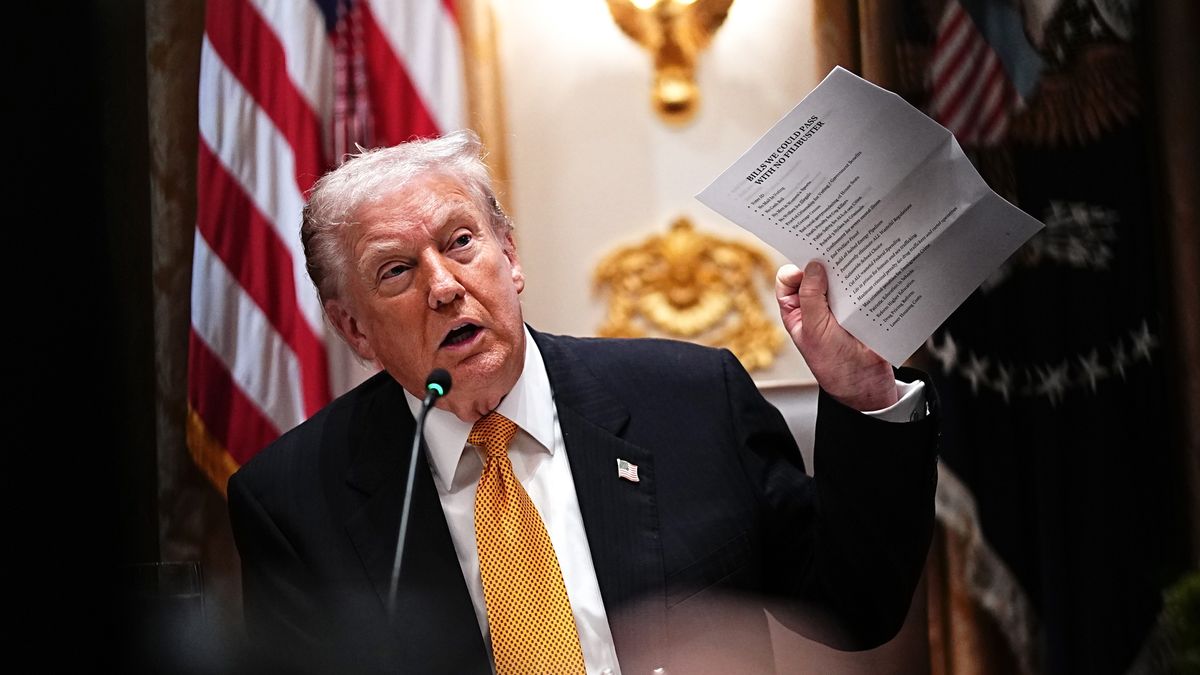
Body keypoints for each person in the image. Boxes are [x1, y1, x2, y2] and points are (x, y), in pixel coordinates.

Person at [228, 130, 939, 674]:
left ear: (510, 257)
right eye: (396, 271)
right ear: (354, 329)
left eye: (462, 242)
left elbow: (858, 607)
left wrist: (863, 394)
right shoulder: (295, 501)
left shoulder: (691, 401)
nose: (443, 286)